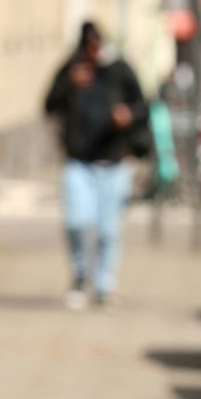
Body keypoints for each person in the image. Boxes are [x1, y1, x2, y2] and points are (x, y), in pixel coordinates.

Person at [44, 22, 147, 309]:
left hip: (113, 162)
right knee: (76, 222)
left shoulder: (119, 70)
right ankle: (79, 277)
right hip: (79, 161)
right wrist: (68, 84)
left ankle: (104, 286)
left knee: (108, 230)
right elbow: (48, 105)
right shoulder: (71, 69)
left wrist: (127, 114)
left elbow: (142, 105)